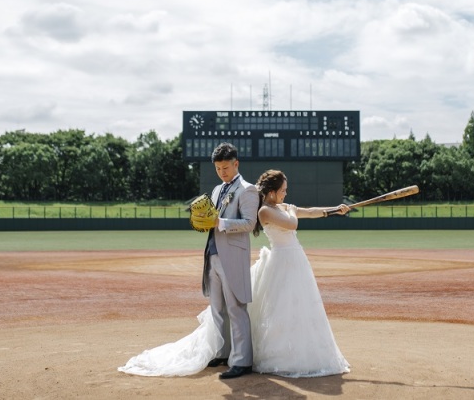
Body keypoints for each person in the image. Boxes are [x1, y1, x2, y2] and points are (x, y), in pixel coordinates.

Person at [119, 142, 259, 380]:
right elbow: (210, 220)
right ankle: (223, 352)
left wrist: (218, 223)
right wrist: (202, 221)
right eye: (218, 168)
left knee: (236, 308)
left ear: (236, 164)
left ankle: (242, 361)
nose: (222, 172)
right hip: (213, 254)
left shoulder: (248, 190)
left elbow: (249, 223)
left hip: (233, 257)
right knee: (217, 309)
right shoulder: (216, 191)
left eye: (226, 167)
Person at [248, 169, 351, 378]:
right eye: (283, 190)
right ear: (271, 192)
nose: (286, 193)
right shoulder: (264, 211)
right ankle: (279, 358)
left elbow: (311, 211)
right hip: (281, 261)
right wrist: (292, 211)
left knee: (301, 306)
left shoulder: (281, 207)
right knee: (281, 307)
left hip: (296, 259)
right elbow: (292, 222)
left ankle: (302, 353)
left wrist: (334, 209)